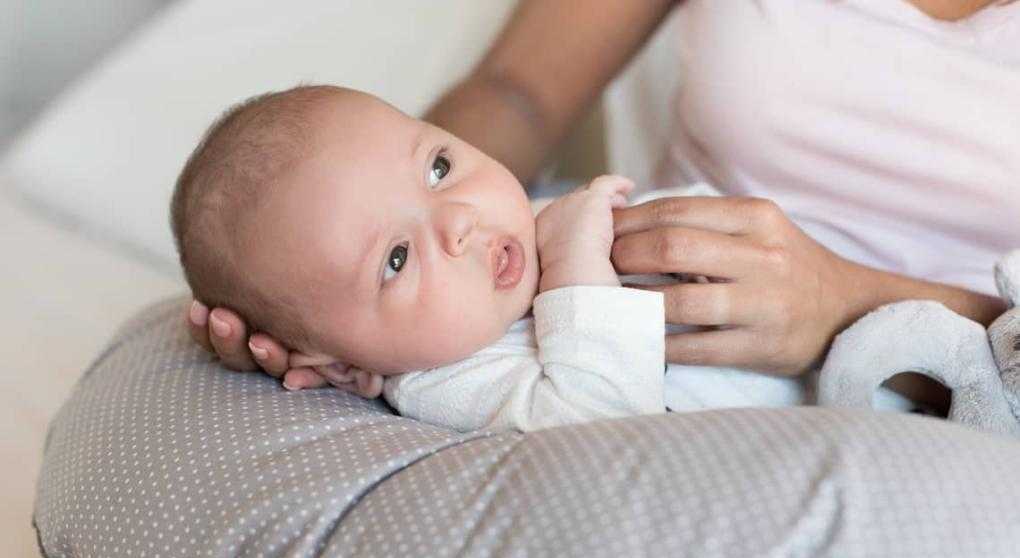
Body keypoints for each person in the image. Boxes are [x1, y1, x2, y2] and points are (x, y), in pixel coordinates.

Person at [186, 1, 1017, 409]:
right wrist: (331, 272)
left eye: (442, 172)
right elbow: (519, 93)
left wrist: (848, 306)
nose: (458, 218)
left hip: (955, 390)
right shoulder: (451, 323)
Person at [177, 85, 917, 432]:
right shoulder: (453, 375)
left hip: (899, 335)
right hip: (870, 422)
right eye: (396, 260)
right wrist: (574, 266)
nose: (459, 222)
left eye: (437, 168)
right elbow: (600, 425)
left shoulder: (520, 230)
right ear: (344, 367)